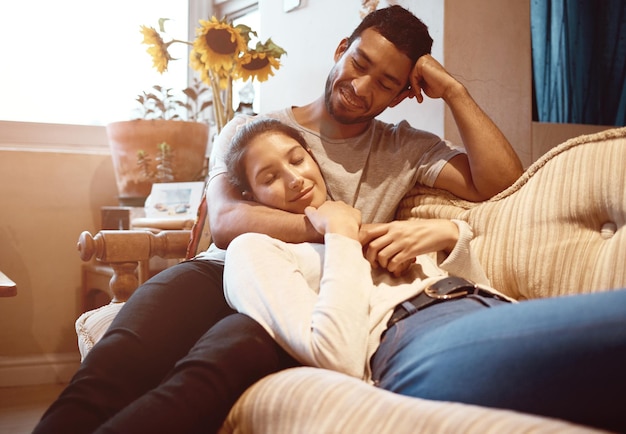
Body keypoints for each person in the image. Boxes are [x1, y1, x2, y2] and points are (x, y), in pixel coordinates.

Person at [34, 6, 524, 434]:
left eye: (386, 83)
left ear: (400, 96)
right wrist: (331, 226)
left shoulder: (406, 147)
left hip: (304, 296)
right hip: (216, 272)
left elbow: (504, 183)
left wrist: (456, 91)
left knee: (204, 378)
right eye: (359, 63)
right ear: (341, 49)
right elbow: (226, 221)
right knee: (113, 366)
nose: (360, 87)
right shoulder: (252, 129)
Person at [223, 117, 626, 432]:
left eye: (296, 159)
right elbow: (336, 356)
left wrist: (452, 239)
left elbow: (478, 284)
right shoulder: (257, 249)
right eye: (269, 177)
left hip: (486, 311)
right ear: (250, 197)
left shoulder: (378, 226)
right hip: (412, 343)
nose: (294, 179)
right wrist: (340, 233)